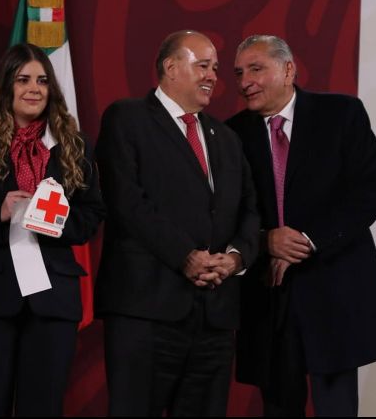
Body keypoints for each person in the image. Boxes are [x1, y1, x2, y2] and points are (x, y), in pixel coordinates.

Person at [226, 34, 376, 416]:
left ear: (289, 70)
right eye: (239, 72)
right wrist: (265, 240)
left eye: (256, 69)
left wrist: (306, 241)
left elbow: (369, 193)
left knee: (337, 407)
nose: (244, 82)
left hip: (334, 287)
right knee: (277, 406)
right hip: (269, 297)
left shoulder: (342, 114)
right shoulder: (231, 134)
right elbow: (223, 213)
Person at [94, 30, 260, 416]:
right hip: (146, 311)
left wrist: (236, 258)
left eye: (216, 69)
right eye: (203, 65)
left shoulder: (226, 138)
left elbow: (251, 210)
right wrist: (185, 255)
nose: (213, 76)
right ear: (170, 67)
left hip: (214, 317)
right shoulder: (127, 118)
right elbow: (127, 201)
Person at [0, 43, 104, 416]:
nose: (34, 88)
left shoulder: (74, 145)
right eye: (23, 79)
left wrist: (56, 220)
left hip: (53, 299)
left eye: (43, 81)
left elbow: (92, 214)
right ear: (5, 87)